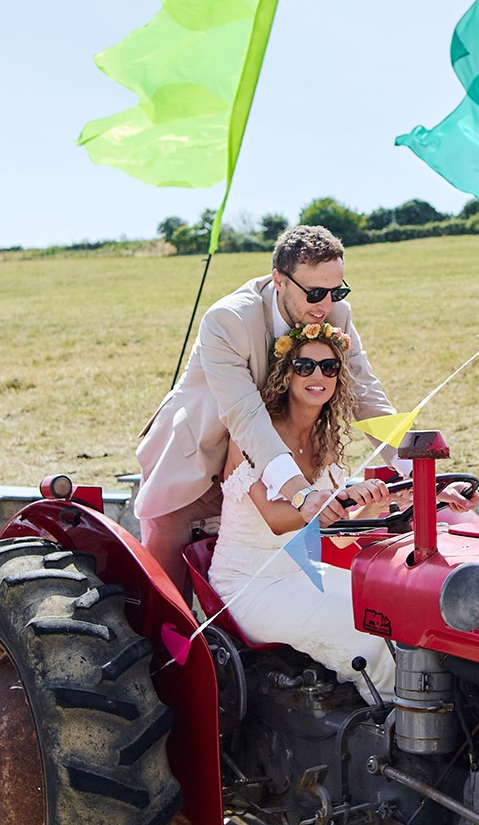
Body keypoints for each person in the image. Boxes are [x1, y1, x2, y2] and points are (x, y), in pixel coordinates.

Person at [136, 223, 399, 595]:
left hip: (263, 479)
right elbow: (246, 415)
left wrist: (417, 466)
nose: (326, 305)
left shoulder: (335, 314)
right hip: (192, 469)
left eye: (336, 291)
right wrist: (300, 493)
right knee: (166, 605)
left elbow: (366, 393)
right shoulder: (227, 320)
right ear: (279, 279)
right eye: (315, 293)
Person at [208, 322, 398, 702]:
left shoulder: (324, 442)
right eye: (305, 366)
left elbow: (337, 536)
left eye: (329, 367)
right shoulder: (253, 436)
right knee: (370, 631)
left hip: (301, 573)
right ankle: (394, 715)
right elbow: (277, 520)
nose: (318, 376)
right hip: (248, 585)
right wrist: (340, 496)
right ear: (286, 374)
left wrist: (373, 503)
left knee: (393, 606)